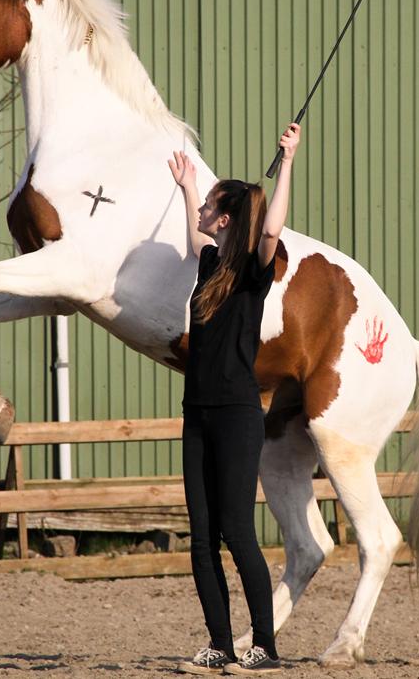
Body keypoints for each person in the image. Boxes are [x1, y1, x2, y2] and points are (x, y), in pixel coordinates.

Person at [168, 123, 301, 676]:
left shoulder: (253, 271)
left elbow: (270, 228)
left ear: (225, 218)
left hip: (238, 416)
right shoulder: (209, 265)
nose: (202, 210)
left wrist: (287, 160)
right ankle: (220, 644)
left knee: (237, 533)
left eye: (207, 206)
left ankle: (264, 646)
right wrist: (185, 188)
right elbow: (196, 239)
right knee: (202, 538)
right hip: (197, 414)